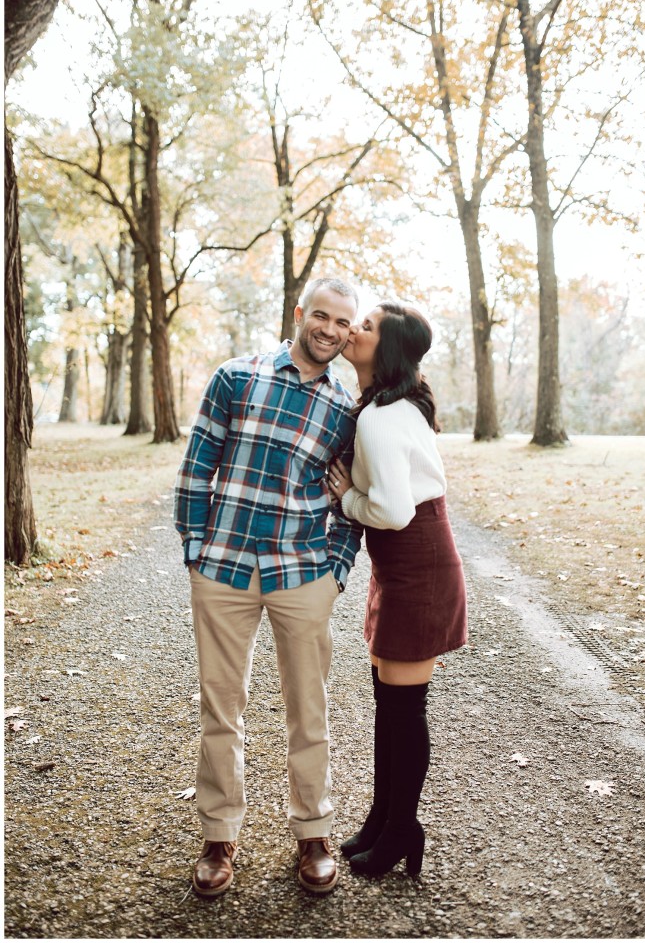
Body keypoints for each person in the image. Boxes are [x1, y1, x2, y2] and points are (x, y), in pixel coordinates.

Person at [173, 277, 363, 898]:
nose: (331, 330)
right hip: (222, 569)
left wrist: (335, 572)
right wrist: (195, 551)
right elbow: (197, 467)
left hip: (302, 572)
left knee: (310, 711)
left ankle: (313, 831)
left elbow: (350, 502)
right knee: (220, 708)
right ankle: (219, 835)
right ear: (299, 314)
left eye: (344, 322)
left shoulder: (345, 407)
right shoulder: (238, 376)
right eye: (323, 316)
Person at [327, 301, 468, 878]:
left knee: (403, 709)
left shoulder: (382, 418)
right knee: (390, 703)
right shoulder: (385, 407)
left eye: (364, 326)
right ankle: (383, 820)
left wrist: (345, 499)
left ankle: (402, 830)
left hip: (419, 566)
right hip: (403, 565)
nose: (352, 330)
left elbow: (389, 507)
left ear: (384, 349)